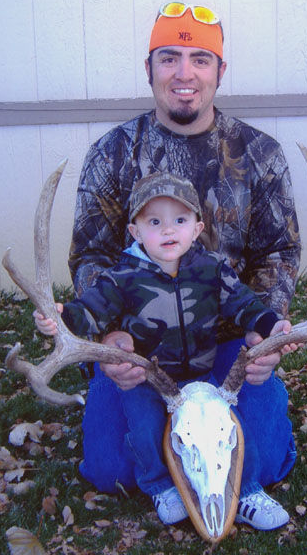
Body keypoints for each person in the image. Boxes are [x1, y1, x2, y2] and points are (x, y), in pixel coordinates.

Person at [68, 2, 301, 530]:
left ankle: (228, 476)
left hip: (226, 343)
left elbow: (279, 254)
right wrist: (110, 340)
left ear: (220, 71)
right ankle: (175, 468)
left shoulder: (260, 154)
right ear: (148, 67)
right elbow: (90, 256)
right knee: (109, 470)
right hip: (141, 349)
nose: (184, 73)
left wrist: (266, 332)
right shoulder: (113, 153)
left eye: (200, 58)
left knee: (266, 456)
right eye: (169, 57)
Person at [35, 172, 292, 528]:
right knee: (143, 423)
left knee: (229, 427)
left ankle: (244, 491)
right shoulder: (121, 278)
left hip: (203, 378)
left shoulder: (212, 269)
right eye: (155, 222)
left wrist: (271, 325)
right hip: (149, 379)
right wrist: (62, 318)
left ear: (197, 228)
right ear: (136, 232)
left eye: (180, 220)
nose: (168, 230)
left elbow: (245, 305)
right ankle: (160, 485)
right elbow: (89, 313)